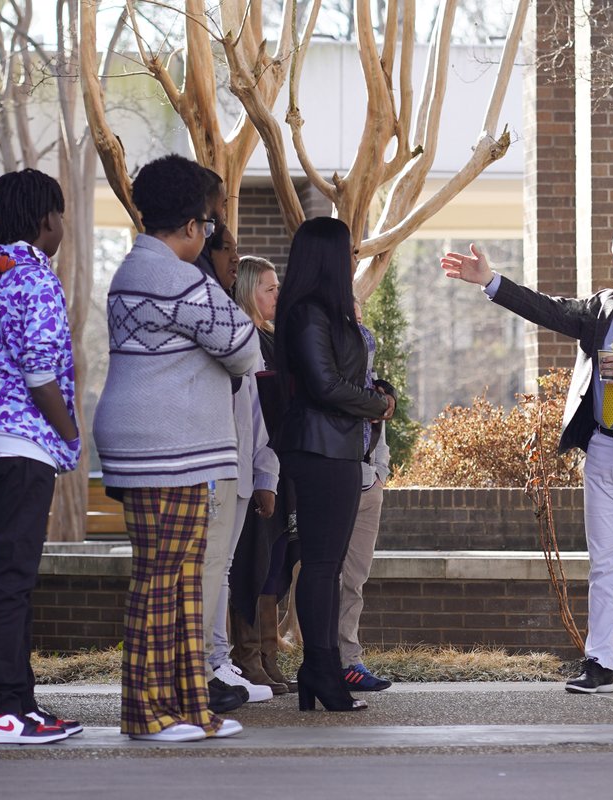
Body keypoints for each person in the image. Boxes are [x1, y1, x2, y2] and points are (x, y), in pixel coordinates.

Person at [441, 221, 613, 697]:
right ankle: (600, 662)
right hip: (603, 448)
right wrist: (490, 281)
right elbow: (548, 309)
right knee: (603, 564)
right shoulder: (603, 306)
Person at [93, 154, 256, 743]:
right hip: (166, 450)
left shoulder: (135, 270)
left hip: (157, 447)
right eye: (209, 226)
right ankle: (147, 714)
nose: (210, 236)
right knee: (166, 582)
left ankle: (188, 707)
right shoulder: (178, 278)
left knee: (180, 583)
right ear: (191, 226)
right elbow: (244, 348)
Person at [0, 168, 83, 745]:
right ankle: (0, 709)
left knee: (6, 575)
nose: (62, 226)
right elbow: (40, 373)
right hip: (21, 441)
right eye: (59, 215)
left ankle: (20, 702)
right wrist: (68, 435)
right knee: (10, 579)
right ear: (44, 221)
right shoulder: (33, 278)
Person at [273, 217, 394, 712]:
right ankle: (321, 669)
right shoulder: (307, 311)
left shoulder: (330, 311)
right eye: (349, 251)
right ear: (327, 256)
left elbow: (346, 375)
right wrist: (377, 407)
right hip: (320, 449)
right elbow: (323, 386)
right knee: (322, 568)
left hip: (342, 448)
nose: (355, 260)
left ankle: (318, 672)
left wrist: (379, 391)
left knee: (327, 567)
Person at [195, 225, 281, 702]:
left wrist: (264, 473)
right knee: (212, 567)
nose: (235, 255)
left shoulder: (239, 324)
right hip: (211, 464)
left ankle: (220, 660)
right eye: (227, 248)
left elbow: (254, 411)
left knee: (223, 568)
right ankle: (209, 664)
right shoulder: (211, 311)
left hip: (240, 468)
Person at [231, 256, 298, 693]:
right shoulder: (244, 338)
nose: (278, 295)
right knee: (252, 562)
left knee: (276, 561)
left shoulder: (273, 338)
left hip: (282, 462)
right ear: (248, 290)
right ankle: (246, 655)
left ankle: (269, 654)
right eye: (269, 288)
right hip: (258, 462)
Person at [338, 301, 395, 692]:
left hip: (367, 483)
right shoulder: (337, 384)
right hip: (335, 482)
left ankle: (349, 659)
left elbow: (381, 439)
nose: (359, 314)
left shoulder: (377, 391)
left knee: (355, 580)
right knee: (322, 576)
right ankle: (321, 658)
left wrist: (379, 476)